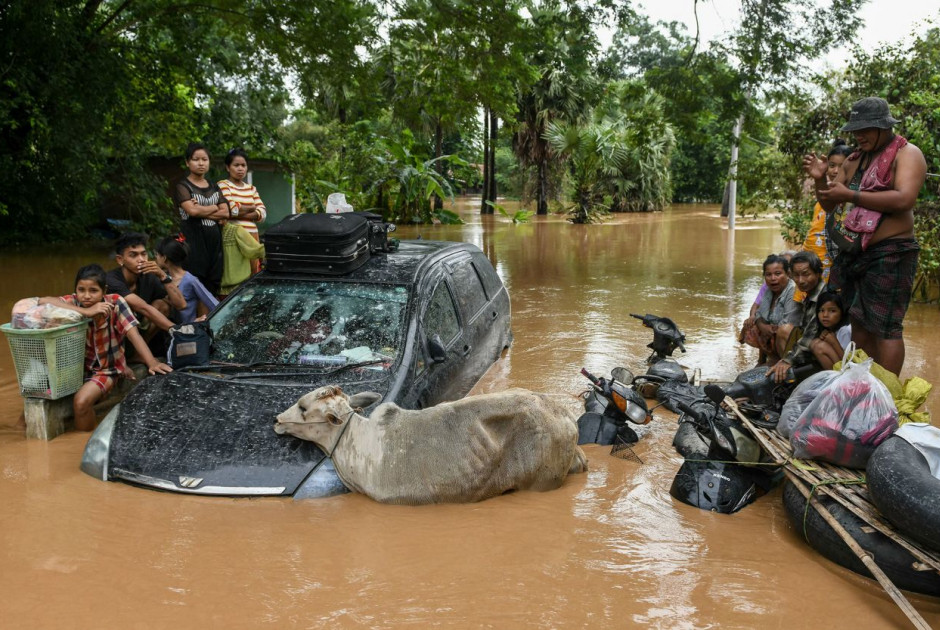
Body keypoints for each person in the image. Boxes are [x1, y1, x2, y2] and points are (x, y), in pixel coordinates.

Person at [803, 97, 926, 375]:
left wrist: (850, 195)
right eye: (855, 130)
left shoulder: (907, 154)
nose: (859, 135)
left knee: (886, 328)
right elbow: (830, 204)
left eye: (866, 129)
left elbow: (905, 199)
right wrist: (821, 179)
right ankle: (865, 385)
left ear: (884, 126)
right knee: (859, 321)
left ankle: (888, 395)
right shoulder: (854, 160)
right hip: (856, 252)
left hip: (892, 252)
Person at [39, 264, 172, 431]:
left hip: (106, 370)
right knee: (34, 403)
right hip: (77, 370)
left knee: (81, 403)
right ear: (76, 290)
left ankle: (83, 444)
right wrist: (86, 312)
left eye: (93, 291)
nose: (86, 296)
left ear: (104, 291)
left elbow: (134, 334)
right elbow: (42, 301)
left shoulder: (116, 303)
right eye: (81, 290)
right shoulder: (74, 302)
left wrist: (152, 362)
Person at [106, 232, 186, 345]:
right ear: (120, 260)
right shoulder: (111, 280)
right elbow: (143, 308)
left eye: (144, 254)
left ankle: (138, 355)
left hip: (140, 330)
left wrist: (163, 276)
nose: (141, 259)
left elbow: (181, 305)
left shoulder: (149, 276)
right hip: (114, 335)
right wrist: (178, 330)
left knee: (163, 305)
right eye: (133, 255)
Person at [175, 142, 230, 295]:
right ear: (187, 162)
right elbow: (192, 211)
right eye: (196, 159)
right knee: (195, 285)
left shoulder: (214, 186)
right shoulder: (183, 187)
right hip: (193, 245)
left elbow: (226, 212)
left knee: (213, 285)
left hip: (215, 246)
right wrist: (213, 207)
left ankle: (210, 318)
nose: (201, 163)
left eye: (204, 159)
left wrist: (202, 209)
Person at [767, 251, 826, 382]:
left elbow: (810, 337)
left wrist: (787, 361)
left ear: (818, 273)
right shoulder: (810, 295)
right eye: (796, 275)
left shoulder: (823, 298)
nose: (800, 280)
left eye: (806, 274)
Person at [801, 140, 854, 283]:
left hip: (839, 270)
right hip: (815, 267)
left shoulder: (853, 198)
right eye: (832, 165)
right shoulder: (822, 198)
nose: (835, 171)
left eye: (842, 166)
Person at [741, 254, 801, 365]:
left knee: (783, 330)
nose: (773, 278)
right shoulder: (769, 290)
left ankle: (784, 362)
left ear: (787, 274)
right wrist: (762, 326)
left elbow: (788, 323)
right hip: (773, 330)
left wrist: (767, 327)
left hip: (791, 337)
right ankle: (766, 360)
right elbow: (759, 313)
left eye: (778, 274)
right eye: (768, 274)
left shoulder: (792, 290)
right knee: (751, 325)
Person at [217, 147, 267, 274]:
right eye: (236, 165)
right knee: (237, 274)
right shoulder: (223, 185)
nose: (240, 168)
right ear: (228, 167)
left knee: (253, 272)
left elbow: (263, 214)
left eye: (243, 165)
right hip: (234, 237)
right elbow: (229, 210)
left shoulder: (251, 188)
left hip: (252, 237)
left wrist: (238, 211)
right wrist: (252, 208)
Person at [155, 234, 219, 323]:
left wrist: (199, 322)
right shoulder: (161, 278)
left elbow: (212, 303)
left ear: (164, 258)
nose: (156, 258)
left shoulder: (190, 280)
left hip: (187, 330)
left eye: (157, 255)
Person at [220, 220, 266, 296]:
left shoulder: (236, 230)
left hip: (234, 290)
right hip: (236, 290)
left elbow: (256, 251)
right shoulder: (236, 230)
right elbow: (256, 250)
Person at [810, 291, 852, 370]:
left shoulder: (845, 330)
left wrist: (833, 342)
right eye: (821, 310)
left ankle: (835, 379)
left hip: (849, 370)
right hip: (842, 366)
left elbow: (849, 362)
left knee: (820, 347)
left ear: (842, 312)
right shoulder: (830, 329)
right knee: (814, 343)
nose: (825, 315)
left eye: (832, 311)